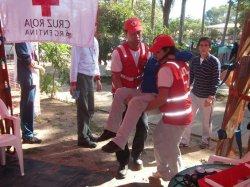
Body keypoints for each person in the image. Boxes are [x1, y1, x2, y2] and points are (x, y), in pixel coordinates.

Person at [96, 17, 149, 179]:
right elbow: (116, 77)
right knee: (121, 129)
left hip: (139, 94)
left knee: (143, 126)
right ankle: (123, 162)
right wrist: (126, 100)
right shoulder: (118, 52)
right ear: (126, 34)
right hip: (122, 94)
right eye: (133, 33)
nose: (137, 36)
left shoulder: (147, 50)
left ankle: (137, 155)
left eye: (139, 33)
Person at [180, 36, 221, 149]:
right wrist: (186, 89)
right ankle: (184, 140)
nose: (203, 48)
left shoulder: (214, 61)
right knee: (188, 117)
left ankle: (205, 140)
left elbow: (216, 80)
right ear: (199, 47)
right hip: (194, 94)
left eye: (206, 45)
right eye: (201, 45)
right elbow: (191, 76)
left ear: (210, 48)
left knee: (206, 121)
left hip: (207, 97)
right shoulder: (195, 60)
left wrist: (210, 97)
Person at [70, 36, 102, 149]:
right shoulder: (78, 40)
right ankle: (82, 138)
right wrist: (72, 83)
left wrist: (98, 78)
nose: (93, 27)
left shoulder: (95, 41)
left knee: (90, 108)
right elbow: (74, 62)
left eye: (95, 24)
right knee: (82, 107)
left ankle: (87, 133)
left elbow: (95, 59)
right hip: (80, 78)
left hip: (90, 77)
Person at [15, 42, 45, 144]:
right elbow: (25, 58)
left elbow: (33, 56)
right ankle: (27, 134)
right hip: (27, 77)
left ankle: (29, 131)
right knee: (26, 105)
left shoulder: (28, 41)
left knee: (30, 105)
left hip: (32, 77)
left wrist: (37, 64)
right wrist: (39, 67)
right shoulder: (20, 40)